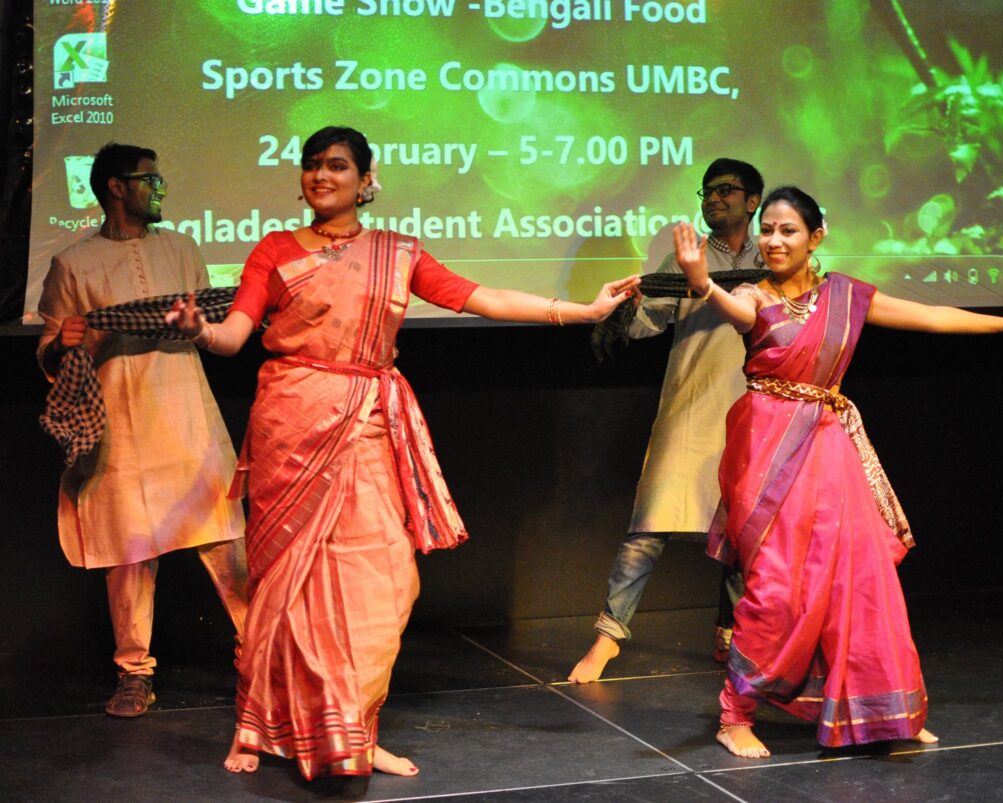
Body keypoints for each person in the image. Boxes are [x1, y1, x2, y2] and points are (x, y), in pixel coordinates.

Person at [165, 126, 639, 783]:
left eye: (336, 166)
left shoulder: (398, 252)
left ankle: (353, 730)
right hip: (291, 424)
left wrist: (583, 312)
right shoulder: (273, 250)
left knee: (388, 580)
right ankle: (270, 723)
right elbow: (234, 334)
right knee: (287, 584)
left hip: (366, 426)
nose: (320, 176)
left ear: (366, 179)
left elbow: (483, 298)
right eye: (311, 165)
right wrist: (198, 330)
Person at [672, 185, 1003, 758]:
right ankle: (735, 714)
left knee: (861, 582)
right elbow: (735, 312)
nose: (774, 240)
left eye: (788, 231)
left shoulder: (846, 296)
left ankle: (885, 714)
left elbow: (929, 317)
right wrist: (701, 280)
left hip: (831, 450)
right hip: (769, 450)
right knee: (775, 587)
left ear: (816, 237)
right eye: (767, 229)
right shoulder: (752, 295)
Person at [36, 143, 248, 717]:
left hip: (186, 414)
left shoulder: (181, 248)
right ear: (115, 187)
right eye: (150, 181)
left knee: (226, 541)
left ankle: (260, 654)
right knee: (129, 554)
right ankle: (135, 673)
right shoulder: (74, 265)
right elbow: (52, 349)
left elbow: (216, 320)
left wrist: (197, 321)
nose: (160, 189)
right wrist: (66, 341)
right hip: (121, 427)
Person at [569, 159, 763, 684]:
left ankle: (731, 633)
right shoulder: (688, 257)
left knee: (747, 530)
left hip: (760, 405)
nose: (713, 198)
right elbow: (645, 325)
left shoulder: (775, 255)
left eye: (727, 190)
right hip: (693, 402)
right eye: (707, 191)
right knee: (650, 522)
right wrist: (625, 309)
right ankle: (607, 638)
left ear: (753, 200)